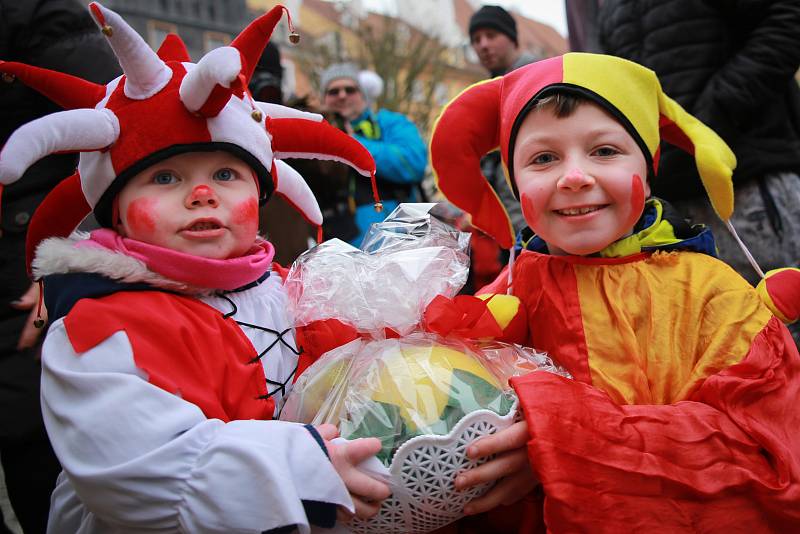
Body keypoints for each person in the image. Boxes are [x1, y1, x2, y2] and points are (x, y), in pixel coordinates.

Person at [0, 3, 391, 532]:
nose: (202, 194)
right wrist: (297, 467)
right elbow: (137, 470)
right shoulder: (98, 329)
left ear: (261, 191)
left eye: (227, 172)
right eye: (165, 178)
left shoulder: (285, 288)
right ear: (114, 208)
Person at [429, 53, 800, 531]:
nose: (574, 176)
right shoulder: (504, 300)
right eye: (543, 158)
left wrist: (564, 447)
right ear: (514, 183)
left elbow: (769, 459)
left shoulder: (713, 295)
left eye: (604, 151)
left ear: (647, 171)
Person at [592, 0, 800, 343]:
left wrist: (716, 112)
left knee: (783, 322)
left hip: (747, 182)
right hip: (672, 202)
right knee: (722, 344)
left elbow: (787, 18)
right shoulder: (609, 9)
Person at [0, 1, 121, 532]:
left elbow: (120, 130)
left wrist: (62, 262)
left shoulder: (34, 12)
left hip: (24, 263)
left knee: (33, 434)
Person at [319, 62, 427, 246]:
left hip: (397, 240)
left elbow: (413, 163)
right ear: (324, 99)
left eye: (350, 89)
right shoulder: (316, 133)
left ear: (363, 95)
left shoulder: (390, 123)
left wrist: (351, 143)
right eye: (333, 91)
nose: (342, 95)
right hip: (336, 248)